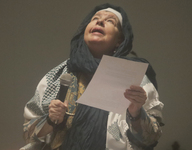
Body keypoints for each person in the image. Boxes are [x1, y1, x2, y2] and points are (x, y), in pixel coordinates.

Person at [21, 3, 164, 150]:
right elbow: (28, 133)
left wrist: (136, 112)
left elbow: (151, 139)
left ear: (119, 40)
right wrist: (50, 121)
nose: (100, 21)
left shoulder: (135, 79)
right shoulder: (58, 76)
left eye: (110, 21)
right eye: (95, 18)